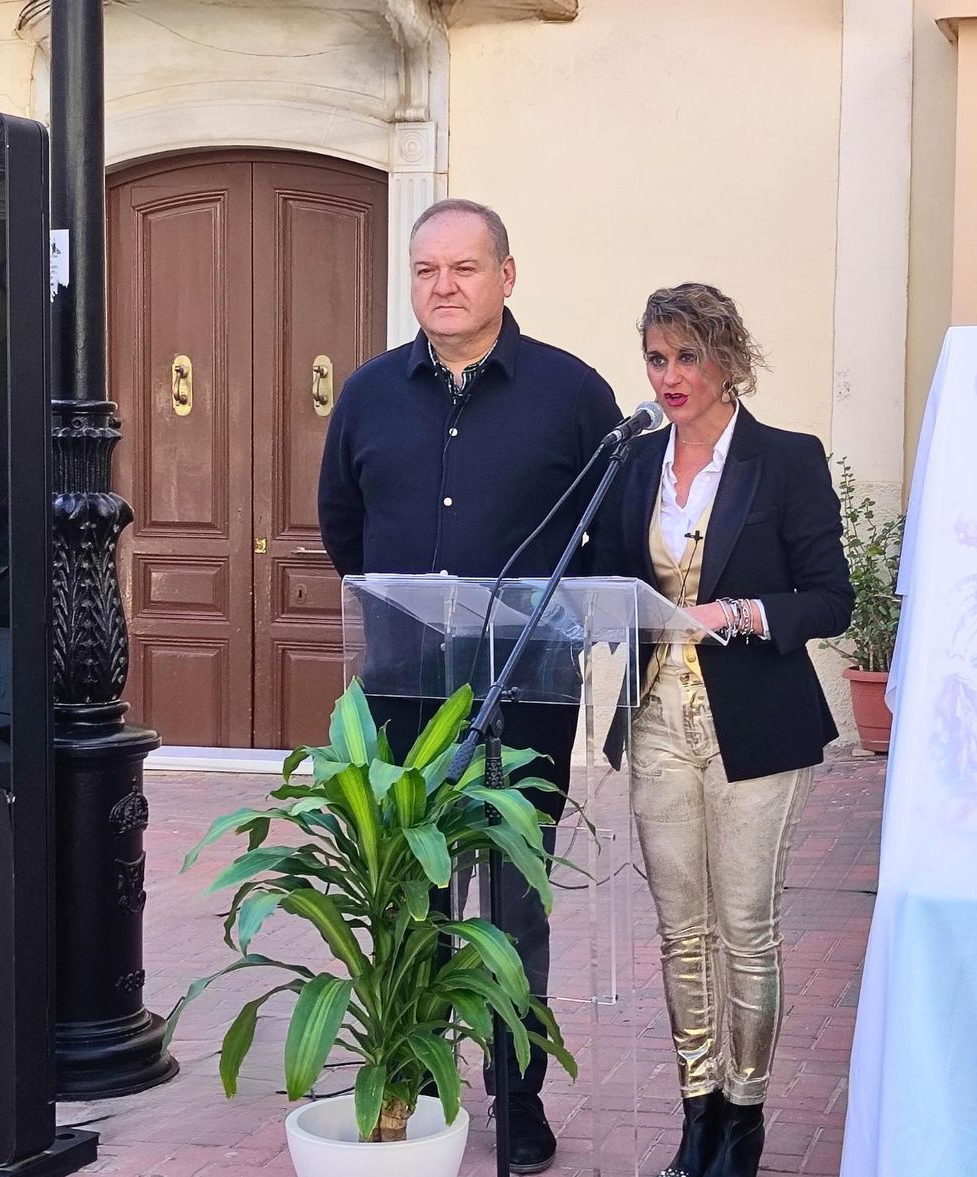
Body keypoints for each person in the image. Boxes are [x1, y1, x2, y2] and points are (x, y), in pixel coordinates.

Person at [317, 197, 622, 1174]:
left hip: (528, 696)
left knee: (513, 904)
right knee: (415, 895)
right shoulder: (368, 394)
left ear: (506, 275)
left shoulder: (573, 394)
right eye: (425, 270)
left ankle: (515, 1097)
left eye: (463, 267)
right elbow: (342, 527)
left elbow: (608, 532)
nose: (442, 286)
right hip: (404, 695)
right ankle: (412, 1083)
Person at [594, 284, 854, 1177]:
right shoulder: (634, 462)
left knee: (746, 927)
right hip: (655, 718)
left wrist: (739, 612)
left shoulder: (787, 459)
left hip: (755, 722)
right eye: (656, 358)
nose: (669, 376)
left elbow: (831, 597)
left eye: (687, 357)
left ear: (728, 360)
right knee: (682, 931)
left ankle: (742, 1118)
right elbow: (609, 579)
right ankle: (696, 1111)